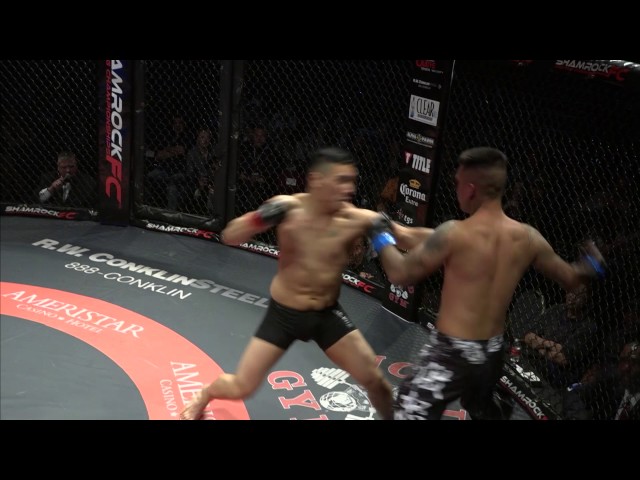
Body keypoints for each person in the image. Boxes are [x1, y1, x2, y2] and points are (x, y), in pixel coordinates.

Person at [369, 146, 606, 420]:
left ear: (470, 189)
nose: (456, 189)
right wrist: (593, 264)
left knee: (406, 411)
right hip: (492, 353)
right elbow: (572, 278)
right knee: (481, 407)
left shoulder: (455, 233)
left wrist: (380, 236)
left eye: (458, 182)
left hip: (453, 354)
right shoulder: (528, 238)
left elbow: (400, 273)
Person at [180, 147, 394, 420]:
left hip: (327, 315)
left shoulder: (357, 218)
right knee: (241, 387)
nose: (349, 188)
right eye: (341, 180)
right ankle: (206, 393)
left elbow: (407, 236)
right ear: (317, 179)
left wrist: (388, 235)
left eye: (352, 181)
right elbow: (230, 236)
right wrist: (259, 218)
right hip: (284, 315)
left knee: (376, 382)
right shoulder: (288, 208)